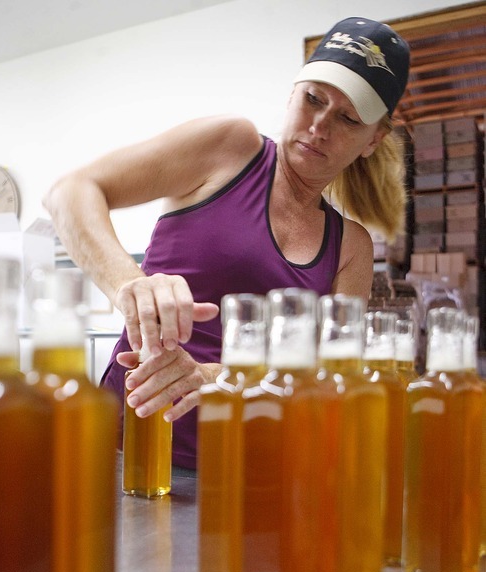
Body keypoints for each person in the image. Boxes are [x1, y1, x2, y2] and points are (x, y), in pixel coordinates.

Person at [43, 16, 410, 473]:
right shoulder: (230, 148)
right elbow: (71, 192)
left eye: (348, 118)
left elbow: (329, 377)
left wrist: (212, 376)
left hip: (249, 472)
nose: (318, 126)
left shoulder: (350, 246)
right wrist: (128, 285)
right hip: (130, 451)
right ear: (292, 92)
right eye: (312, 99)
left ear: (373, 140)